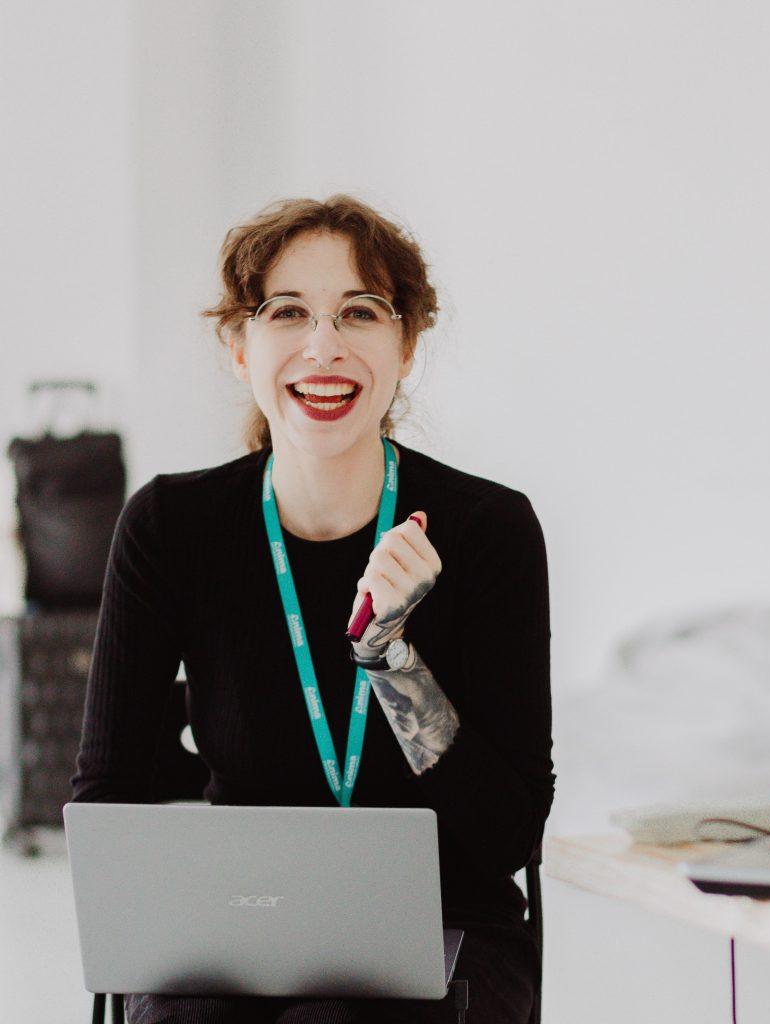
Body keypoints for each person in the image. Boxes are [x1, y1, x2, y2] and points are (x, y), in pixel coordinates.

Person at [70, 194, 555, 1023]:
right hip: (233, 933)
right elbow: (109, 795)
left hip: (449, 928)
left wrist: (391, 658)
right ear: (239, 345)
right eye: (286, 311)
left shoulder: (487, 528)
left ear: (404, 347)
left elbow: (508, 837)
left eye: (360, 313)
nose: (322, 347)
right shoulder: (170, 526)